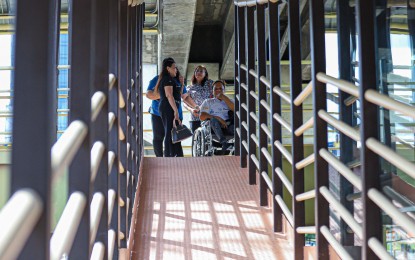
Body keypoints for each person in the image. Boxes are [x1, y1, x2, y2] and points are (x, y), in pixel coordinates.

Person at [146, 67, 191, 157]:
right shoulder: (156, 79)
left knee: (176, 138)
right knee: (158, 138)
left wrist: (196, 107)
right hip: (157, 113)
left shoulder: (177, 80)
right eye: (173, 68)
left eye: (176, 69)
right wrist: (166, 94)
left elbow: (184, 96)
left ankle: (176, 158)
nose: (175, 70)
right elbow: (149, 95)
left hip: (175, 114)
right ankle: (159, 158)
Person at [199, 80, 235, 154]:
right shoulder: (208, 102)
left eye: (220, 89)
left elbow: (235, 109)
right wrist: (217, 118)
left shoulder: (231, 100)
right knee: (213, 120)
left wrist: (224, 98)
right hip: (214, 126)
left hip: (228, 125)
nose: (218, 90)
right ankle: (224, 142)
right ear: (212, 91)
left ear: (224, 90)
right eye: (216, 89)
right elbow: (202, 116)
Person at [183, 65, 213, 133]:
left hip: (209, 115)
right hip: (196, 117)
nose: (198, 72)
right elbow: (184, 102)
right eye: (197, 71)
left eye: (201, 71)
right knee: (196, 138)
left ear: (205, 74)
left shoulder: (210, 83)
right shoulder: (190, 88)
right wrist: (191, 110)